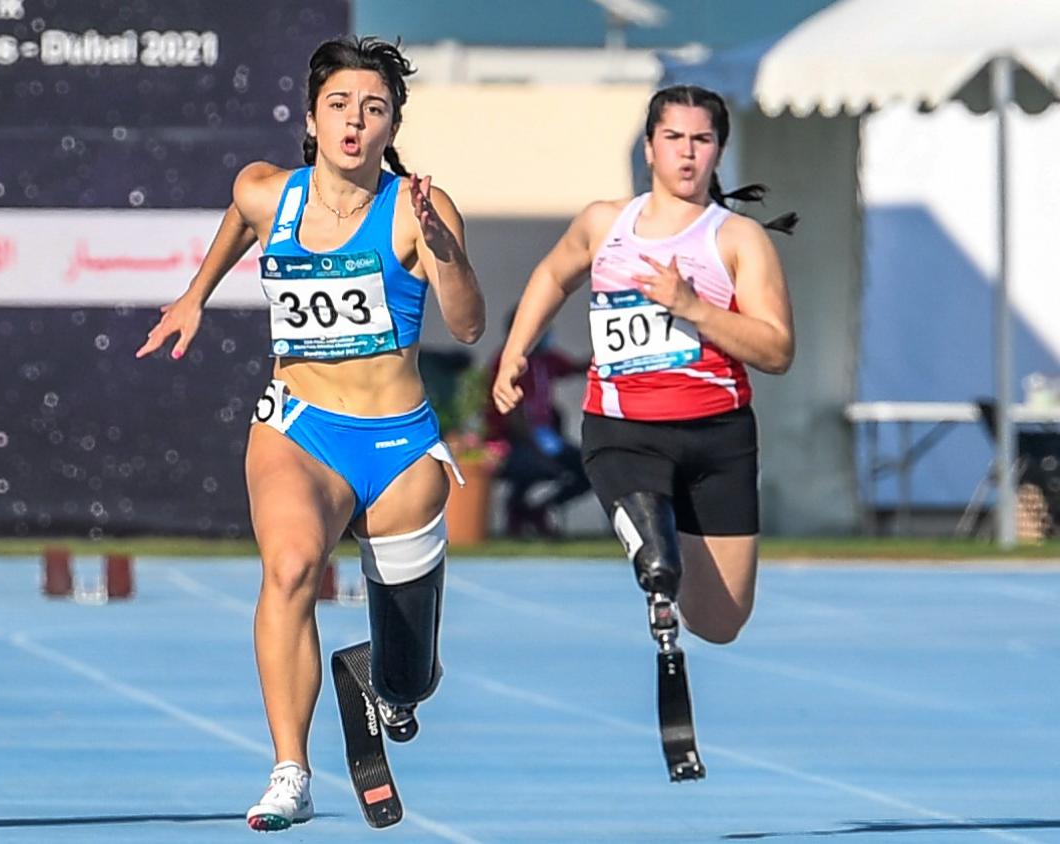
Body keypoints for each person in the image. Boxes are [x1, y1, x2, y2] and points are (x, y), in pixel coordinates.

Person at [136, 36, 484, 832]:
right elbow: (238, 219)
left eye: (374, 108)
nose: (356, 121)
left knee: (410, 680)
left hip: (399, 449)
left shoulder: (416, 208)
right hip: (300, 430)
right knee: (290, 567)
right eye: (340, 106)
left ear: (393, 125)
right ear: (313, 118)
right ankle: (291, 770)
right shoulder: (269, 194)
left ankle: (383, 682)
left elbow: (466, 326)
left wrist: (445, 252)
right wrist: (195, 295)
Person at [492, 84, 794, 652]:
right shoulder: (605, 223)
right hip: (624, 431)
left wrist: (693, 308)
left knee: (720, 622)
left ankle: (664, 561)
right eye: (673, 138)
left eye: (701, 140)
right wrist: (517, 350)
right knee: (658, 551)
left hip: (717, 437)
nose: (686, 152)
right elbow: (554, 275)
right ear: (649, 149)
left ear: (718, 151)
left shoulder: (737, 239)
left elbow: (777, 350)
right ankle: (652, 557)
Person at [484, 314, 591, 537]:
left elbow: (576, 368)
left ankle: (540, 509)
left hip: (546, 437)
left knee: (588, 469)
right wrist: (536, 448)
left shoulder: (546, 359)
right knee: (531, 468)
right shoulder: (505, 363)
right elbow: (512, 416)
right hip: (513, 440)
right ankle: (518, 515)